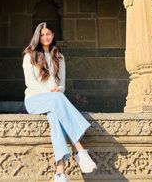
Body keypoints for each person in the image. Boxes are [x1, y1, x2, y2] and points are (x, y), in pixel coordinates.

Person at [22, 22, 97, 182]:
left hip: (55, 101)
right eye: (42, 34)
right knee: (57, 100)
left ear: (53, 35)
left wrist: (56, 91)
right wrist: (50, 93)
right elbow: (30, 83)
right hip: (34, 100)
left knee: (56, 118)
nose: (45, 37)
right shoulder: (30, 55)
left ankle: (60, 172)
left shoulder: (59, 57)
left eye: (48, 33)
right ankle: (80, 150)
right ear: (37, 36)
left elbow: (61, 85)